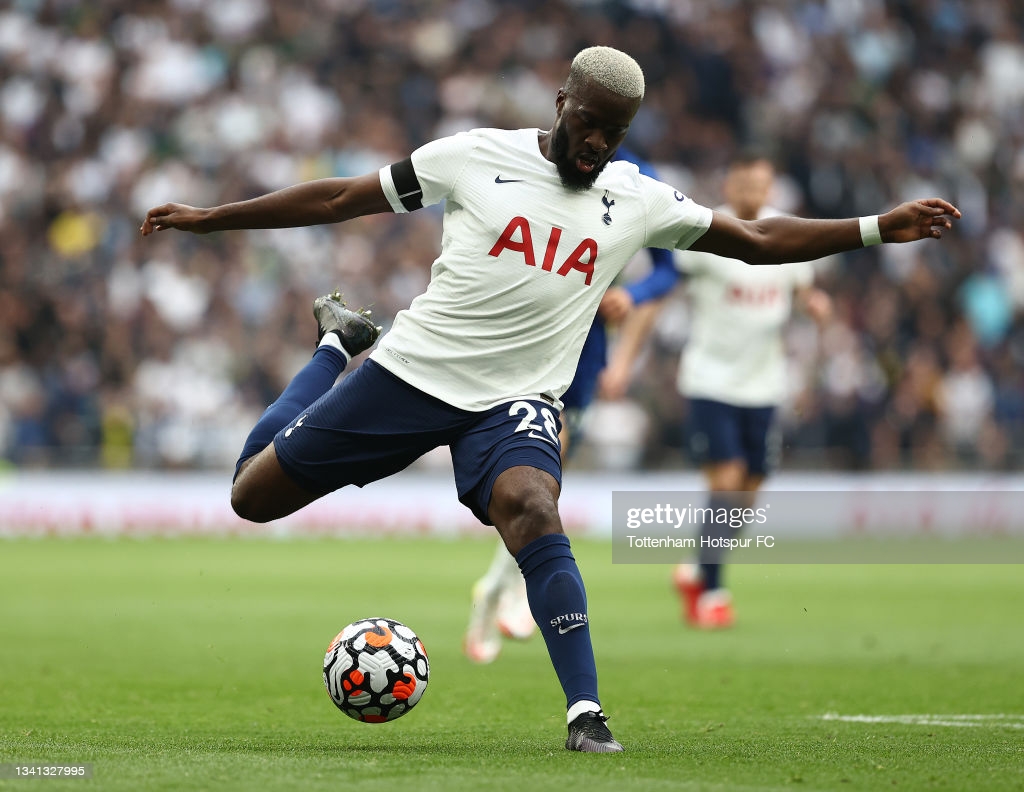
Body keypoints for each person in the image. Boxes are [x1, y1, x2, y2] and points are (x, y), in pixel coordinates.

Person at [141, 45, 960, 753]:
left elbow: (753, 241)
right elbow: (336, 198)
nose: (597, 144)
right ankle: (335, 348)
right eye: (589, 123)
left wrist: (876, 227)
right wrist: (213, 219)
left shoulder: (637, 197)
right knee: (252, 496)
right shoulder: (473, 156)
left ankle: (586, 711)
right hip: (413, 374)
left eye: (616, 133)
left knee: (532, 505)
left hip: (515, 400)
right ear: (561, 102)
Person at [463, 145, 678, 665]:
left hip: (584, 347)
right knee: (537, 468)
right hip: (523, 338)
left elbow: (670, 270)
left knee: (545, 476)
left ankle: (495, 588)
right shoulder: (525, 161)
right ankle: (507, 590)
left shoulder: (636, 179)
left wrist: (636, 292)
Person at [599, 153, 834, 629]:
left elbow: (801, 290)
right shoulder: (706, 235)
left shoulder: (784, 235)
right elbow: (659, 296)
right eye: (745, 180)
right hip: (710, 381)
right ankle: (713, 590)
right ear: (730, 182)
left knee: (747, 492)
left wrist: (814, 305)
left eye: (762, 183)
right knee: (725, 483)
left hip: (764, 386)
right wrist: (623, 361)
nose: (753, 191)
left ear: (771, 187)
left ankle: (694, 570)